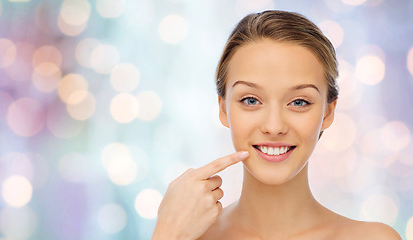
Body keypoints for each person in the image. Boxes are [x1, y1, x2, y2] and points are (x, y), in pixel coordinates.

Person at [152, 10, 401, 240]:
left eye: (299, 102)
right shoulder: (188, 235)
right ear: (223, 108)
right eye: (251, 100)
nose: (274, 126)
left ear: (328, 111)